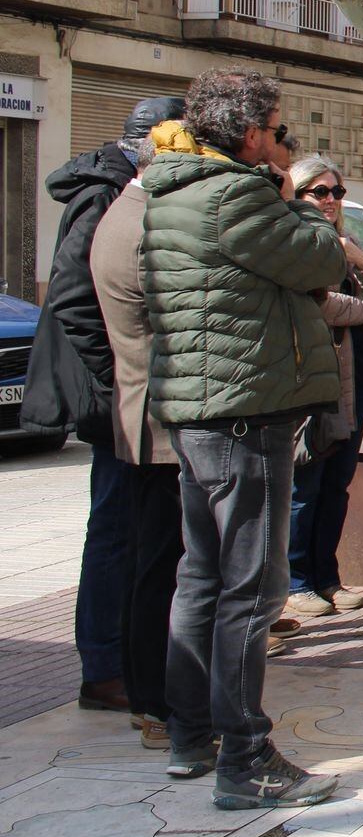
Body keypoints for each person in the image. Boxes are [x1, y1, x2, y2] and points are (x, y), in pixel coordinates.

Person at [139, 69, 345, 808]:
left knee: (203, 576)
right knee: (252, 587)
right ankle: (246, 758)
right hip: (243, 410)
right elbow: (323, 257)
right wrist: (292, 197)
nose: (283, 142)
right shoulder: (238, 195)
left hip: (202, 407)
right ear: (252, 133)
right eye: (279, 129)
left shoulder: (173, 191)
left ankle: (192, 735)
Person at [23, 96, 182, 714]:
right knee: (116, 528)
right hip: (114, 393)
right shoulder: (107, 195)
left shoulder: (121, 186)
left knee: (132, 527)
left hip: (124, 389)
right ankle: (104, 664)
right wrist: (118, 375)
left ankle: (124, 658)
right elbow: (71, 296)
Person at [87, 123, 183, 750]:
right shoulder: (138, 220)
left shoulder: (136, 210)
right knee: (157, 566)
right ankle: (153, 701)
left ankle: (152, 694)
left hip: (155, 412)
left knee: (157, 561)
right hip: (156, 420)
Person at [280, 156, 363, 621]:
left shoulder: (343, 243)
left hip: (356, 378)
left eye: (337, 192)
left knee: (337, 485)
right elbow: (316, 305)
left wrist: (360, 258)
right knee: (306, 485)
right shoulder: (294, 241)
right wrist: (360, 309)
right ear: (297, 194)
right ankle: (296, 582)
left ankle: (327, 577)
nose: (330, 200)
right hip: (314, 381)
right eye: (319, 192)